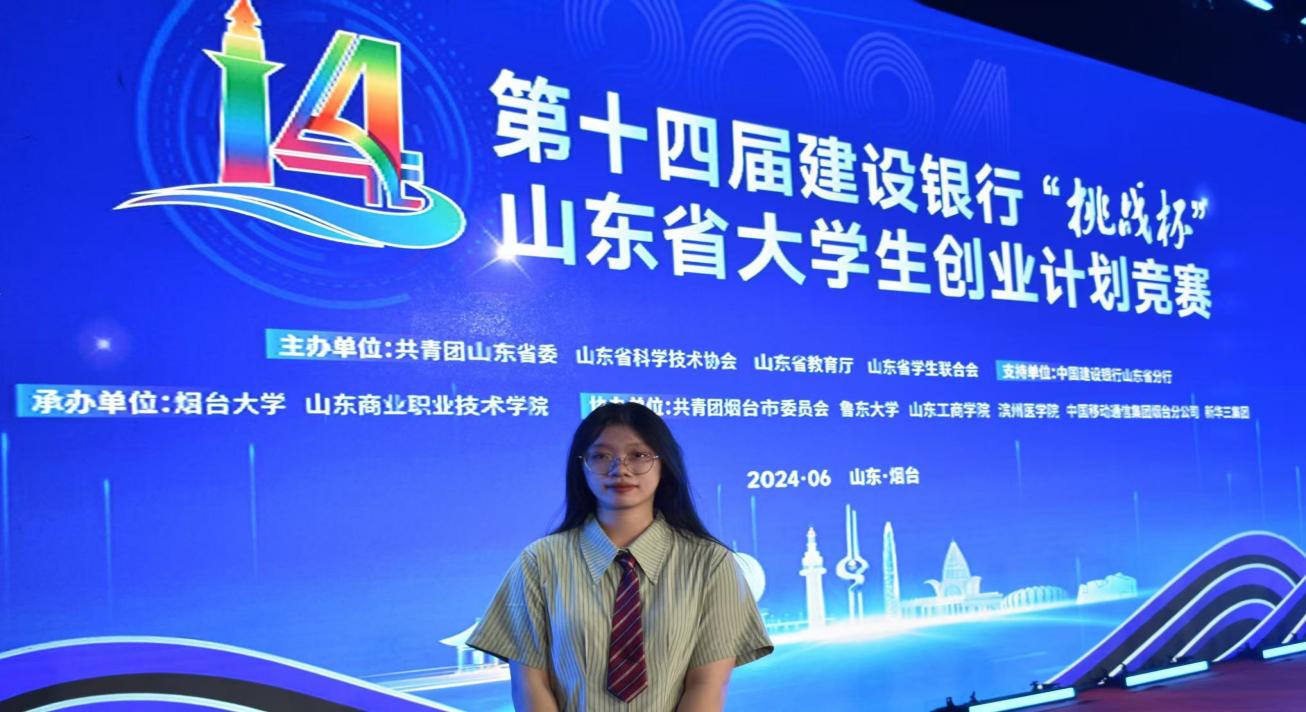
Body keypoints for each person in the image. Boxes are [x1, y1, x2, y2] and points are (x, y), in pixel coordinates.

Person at [468, 402, 773, 711]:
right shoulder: (539, 562)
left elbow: (706, 684)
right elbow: (530, 685)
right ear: (581, 466)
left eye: (638, 455)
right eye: (601, 456)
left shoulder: (711, 564)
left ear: (664, 464)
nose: (620, 469)